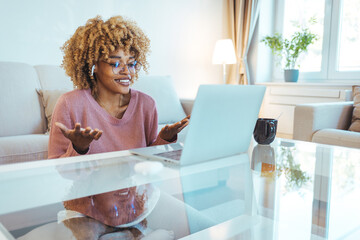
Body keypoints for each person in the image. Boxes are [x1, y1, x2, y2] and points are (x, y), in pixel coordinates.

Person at [48, 15, 189, 159]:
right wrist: (79, 148)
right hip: (91, 182)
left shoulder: (146, 105)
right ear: (94, 65)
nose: (127, 72)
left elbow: (147, 162)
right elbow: (53, 169)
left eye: (131, 64)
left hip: (135, 181)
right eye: (115, 64)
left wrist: (165, 139)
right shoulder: (69, 104)